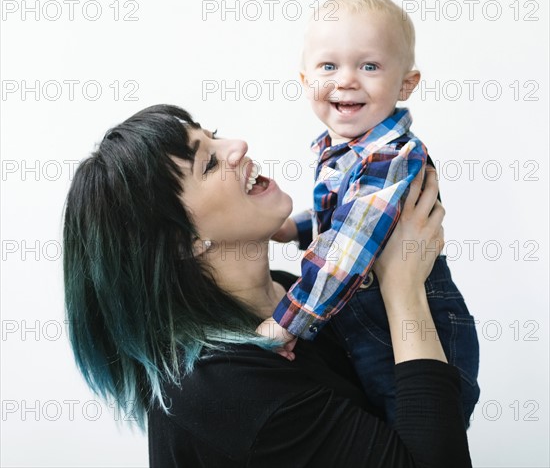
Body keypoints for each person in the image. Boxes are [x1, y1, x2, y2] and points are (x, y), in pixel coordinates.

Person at [63, 104, 472, 467]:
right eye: (208, 163)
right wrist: (402, 290)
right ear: (180, 242)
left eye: (215, 135)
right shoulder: (221, 388)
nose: (237, 145)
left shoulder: (294, 291)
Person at [258, 0, 480, 426]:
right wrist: (297, 228)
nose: (346, 80)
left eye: (369, 65)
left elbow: (348, 249)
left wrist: (288, 322)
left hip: (420, 327)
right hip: (366, 321)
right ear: (305, 81)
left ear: (406, 84)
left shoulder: (391, 155)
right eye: (328, 65)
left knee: (416, 432)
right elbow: (347, 216)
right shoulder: (346, 150)